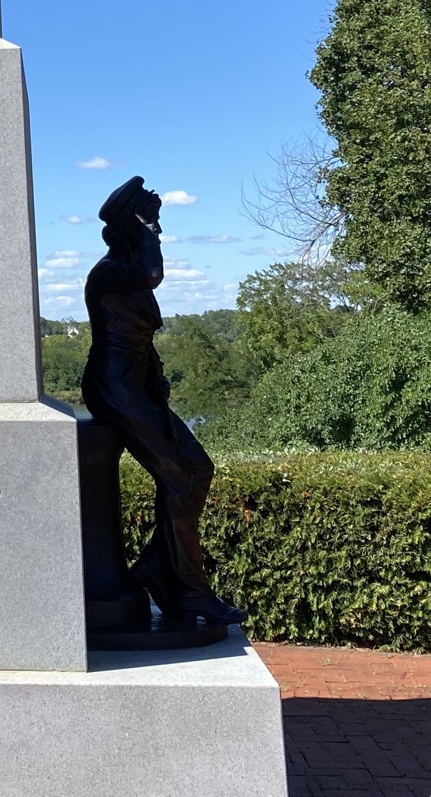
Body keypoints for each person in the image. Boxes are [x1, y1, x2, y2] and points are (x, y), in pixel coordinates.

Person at [83, 176, 245, 629]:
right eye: (149, 220)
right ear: (130, 225)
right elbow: (153, 275)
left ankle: (158, 565)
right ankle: (191, 592)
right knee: (177, 478)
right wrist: (147, 232)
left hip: (139, 383)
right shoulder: (110, 271)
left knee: (198, 469)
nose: (157, 228)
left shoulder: (126, 268)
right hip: (113, 385)